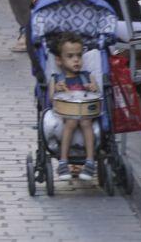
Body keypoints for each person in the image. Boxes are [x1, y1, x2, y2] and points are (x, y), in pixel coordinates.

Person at [47, 32, 100, 181]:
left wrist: (92, 87)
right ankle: (63, 160)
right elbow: (51, 99)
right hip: (66, 112)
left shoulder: (87, 76)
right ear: (59, 60)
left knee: (85, 121)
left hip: (84, 111)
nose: (76, 60)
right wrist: (57, 89)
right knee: (71, 121)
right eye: (70, 56)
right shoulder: (57, 79)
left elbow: (95, 92)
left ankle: (90, 161)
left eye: (79, 55)